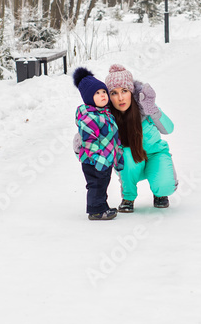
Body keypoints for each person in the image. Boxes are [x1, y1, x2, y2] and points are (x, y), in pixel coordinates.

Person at [103, 64, 177, 213]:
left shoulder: (145, 107)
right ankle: (128, 197)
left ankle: (160, 193)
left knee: (165, 186)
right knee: (125, 156)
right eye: (114, 93)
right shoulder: (108, 117)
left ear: (132, 91)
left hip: (155, 155)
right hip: (132, 161)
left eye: (124, 91)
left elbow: (168, 129)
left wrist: (153, 110)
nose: (121, 97)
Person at [72, 67, 125, 220]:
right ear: (89, 97)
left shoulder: (105, 113)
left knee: (103, 183)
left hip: (105, 159)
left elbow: (114, 138)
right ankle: (95, 211)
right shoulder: (89, 118)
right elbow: (89, 142)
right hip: (93, 161)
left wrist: (118, 156)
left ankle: (102, 206)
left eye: (103, 92)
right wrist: (98, 159)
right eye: (97, 93)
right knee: (96, 184)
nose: (102, 95)